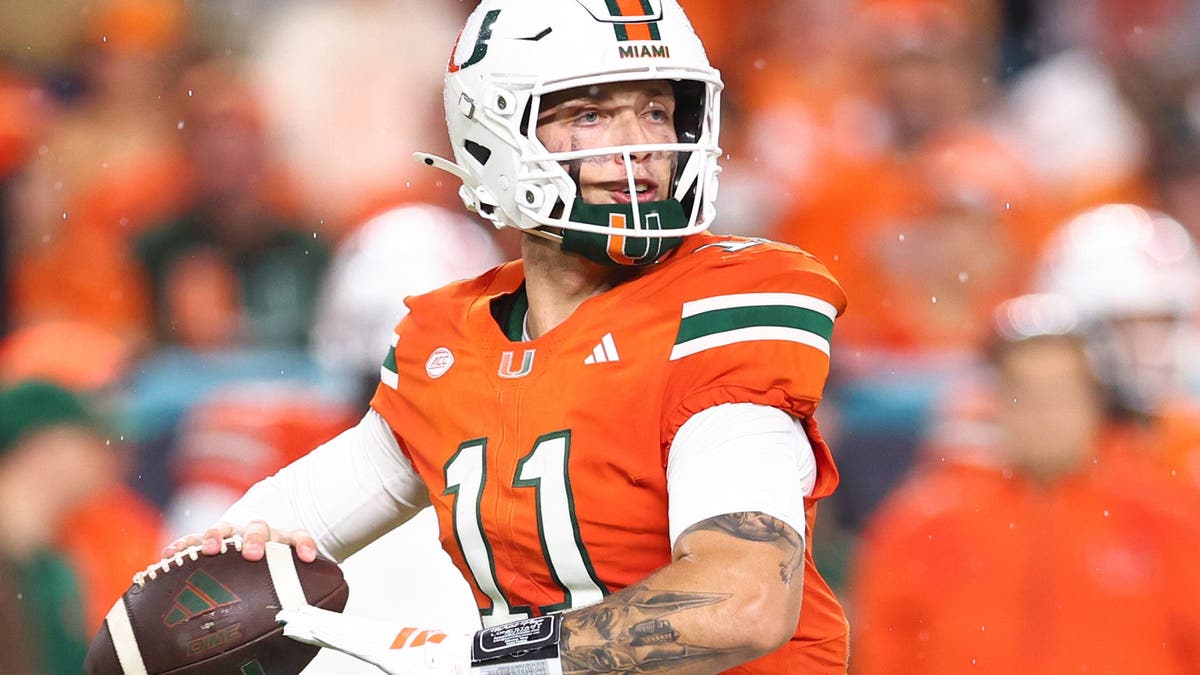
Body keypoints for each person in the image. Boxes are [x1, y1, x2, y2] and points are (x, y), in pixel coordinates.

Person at [161, 1, 850, 673]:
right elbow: (277, 525)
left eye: (656, 110)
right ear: (493, 133)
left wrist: (478, 657)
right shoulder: (451, 341)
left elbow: (746, 600)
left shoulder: (722, 307)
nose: (640, 146)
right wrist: (212, 579)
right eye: (590, 114)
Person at [850, 293, 1200, 674]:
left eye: (1061, 391)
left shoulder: (1168, 516)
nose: (1043, 411)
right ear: (996, 402)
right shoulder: (922, 523)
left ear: (1096, 401)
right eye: (1024, 392)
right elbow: (883, 655)